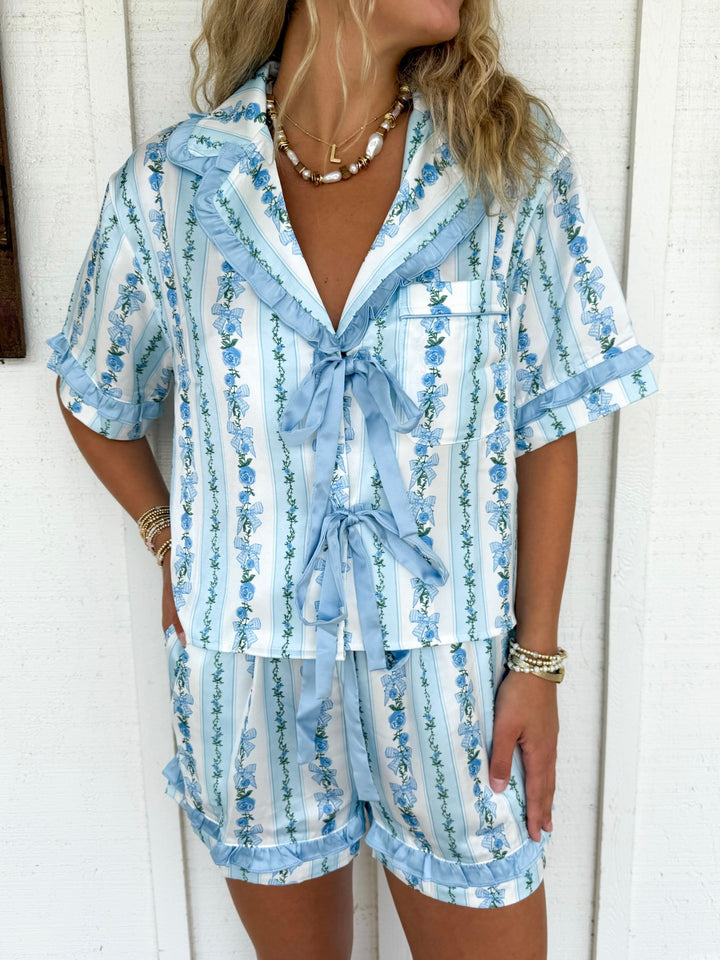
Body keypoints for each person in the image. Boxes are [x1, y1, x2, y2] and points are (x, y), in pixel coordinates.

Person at [46, 0, 658, 957]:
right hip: (247, 675)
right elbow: (94, 390)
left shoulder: (503, 163)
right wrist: (169, 537)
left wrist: (535, 663)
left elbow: (548, 424)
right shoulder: (174, 188)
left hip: (453, 680)